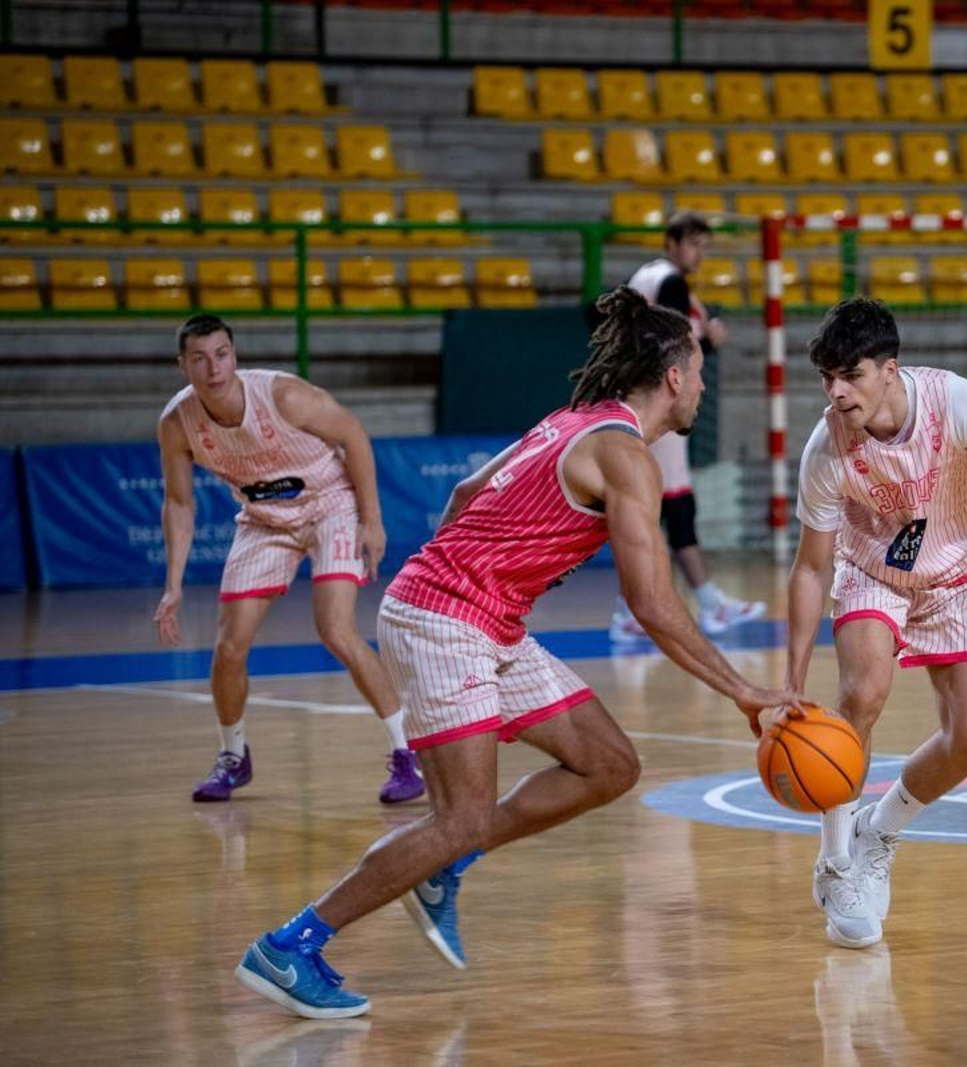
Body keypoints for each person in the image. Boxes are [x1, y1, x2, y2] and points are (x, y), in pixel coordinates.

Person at [234, 287, 802, 1019]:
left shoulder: (574, 419)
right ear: (672, 377)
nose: (700, 384)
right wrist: (744, 690)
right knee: (458, 816)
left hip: (482, 618)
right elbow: (653, 604)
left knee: (609, 765)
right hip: (447, 619)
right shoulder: (627, 456)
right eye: (697, 371)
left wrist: (471, 567)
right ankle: (291, 945)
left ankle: (443, 866)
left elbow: (465, 492)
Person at [785, 298, 967, 949]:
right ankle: (836, 863)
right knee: (862, 692)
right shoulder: (826, 448)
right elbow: (811, 568)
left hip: (957, 568)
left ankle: (879, 830)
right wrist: (792, 681)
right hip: (872, 570)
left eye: (851, 375)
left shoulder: (958, 403)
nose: (836, 391)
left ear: (890, 369)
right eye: (827, 377)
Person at [154, 315, 423, 805]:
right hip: (264, 519)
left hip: (331, 504)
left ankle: (409, 753)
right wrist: (173, 584)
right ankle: (233, 757)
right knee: (229, 646)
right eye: (200, 359)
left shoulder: (284, 396)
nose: (213, 368)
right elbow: (178, 503)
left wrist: (372, 520)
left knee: (336, 629)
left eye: (221, 355)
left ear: (234, 355)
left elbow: (354, 434)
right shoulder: (177, 423)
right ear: (182, 366)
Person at [609, 211, 766, 642]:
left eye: (704, 246)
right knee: (671, 507)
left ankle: (686, 602)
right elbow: (675, 348)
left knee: (658, 509)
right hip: (658, 403)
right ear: (672, 243)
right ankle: (661, 607)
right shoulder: (671, 283)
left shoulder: (643, 277)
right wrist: (708, 340)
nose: (700, 254)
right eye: (694, 244)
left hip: (639, 400)